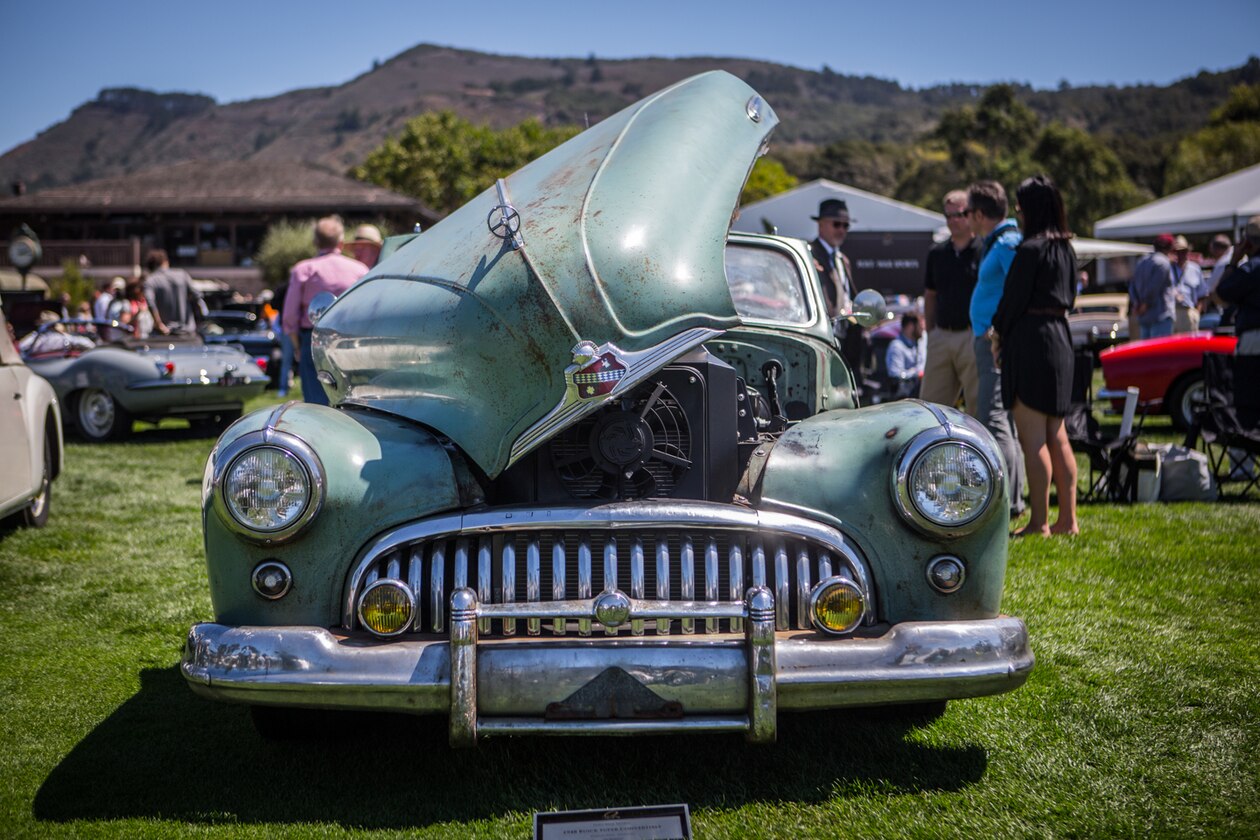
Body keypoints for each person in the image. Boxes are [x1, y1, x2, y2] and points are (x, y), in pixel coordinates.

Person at [992, 175, 1078, 537]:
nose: (1017, 211)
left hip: (1031, 340)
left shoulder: (1030, 250)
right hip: (1060, 338)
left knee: (1033, 438)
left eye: (1020, 205)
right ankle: (1067, 521)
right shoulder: (1067, 250)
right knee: (1057, 433)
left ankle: (1039, 522)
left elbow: (1012, 302)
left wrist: (998, 333)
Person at [967, 180, 1025, 517]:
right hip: (991, 340)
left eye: (968, 214)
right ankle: (1013, 501)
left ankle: (1008, 504)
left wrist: (999, 333)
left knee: (995, 419)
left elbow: (1019, 291)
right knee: (1003, 421)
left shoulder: (1006, 244)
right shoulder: (1000, 243)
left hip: (995, 343)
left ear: (978, 214)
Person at [282, 216, 368, 405]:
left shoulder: (303, 270)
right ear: (341, 242)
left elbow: (289, 316)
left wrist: (297, 346)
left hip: (313, 340)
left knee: (316, 403)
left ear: (315, 242)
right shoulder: (360, 270)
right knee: (352, 400)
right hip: (351, 340)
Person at [921, 189, 979, 413]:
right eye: (949, 216)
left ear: (971, 215)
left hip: (973, 335)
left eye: (960, 214)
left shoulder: (983, 250)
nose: (954, 220)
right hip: (942, 335)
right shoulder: (937, 253)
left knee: (978, 408)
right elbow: (930, 294)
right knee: (930, 409)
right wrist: (932, 333)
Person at [808, 198, 862, 371]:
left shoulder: (842, 260)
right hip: (821, 337)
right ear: (821, 224)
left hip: (845, 339)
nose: (841, 230)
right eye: (836, 224)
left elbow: (847, 295)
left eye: (846, 226)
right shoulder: (809, 254)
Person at [1217, 215, 1260, 357]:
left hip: (1254, 338)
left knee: (1249, 378)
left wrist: (1233, 262)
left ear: (1247, 243)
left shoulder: (1251, 268)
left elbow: (1221, 293)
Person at [143, 249, 201, 334]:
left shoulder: (150, 281)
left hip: (165, 333)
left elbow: (150, 303)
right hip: (188, 331)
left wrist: (159, 324)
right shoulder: (182, 274)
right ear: (165, 261)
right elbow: (197, 296)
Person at [1130, 234, 1175, 339]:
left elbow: (1132, 285)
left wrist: (1137, 304)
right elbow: (1154, 287)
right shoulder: (1163, 262)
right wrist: (1145, 305)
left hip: (1143, 316)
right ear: (1169, 248)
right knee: (1159, 353)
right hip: (1160, 315)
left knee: (1146, 353)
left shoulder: (1141, 261)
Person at [885, 311, 925, 399]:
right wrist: (917, 374)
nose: (923, 330)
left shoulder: (919, 343)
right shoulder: (896, 346)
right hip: (904, 397)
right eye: (920, 327)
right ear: (910, 326)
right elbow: (895, 374)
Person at [1171, 235, 1206, 333]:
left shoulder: (1195, 269)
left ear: (1187, 252)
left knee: (1189, 346)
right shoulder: (1168, 268)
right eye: (1177, 252)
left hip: (1189, 311)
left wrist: (1196, 313)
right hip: (1172, 312)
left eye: (1183, 251)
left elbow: (1202, 295)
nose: (1180, 255)